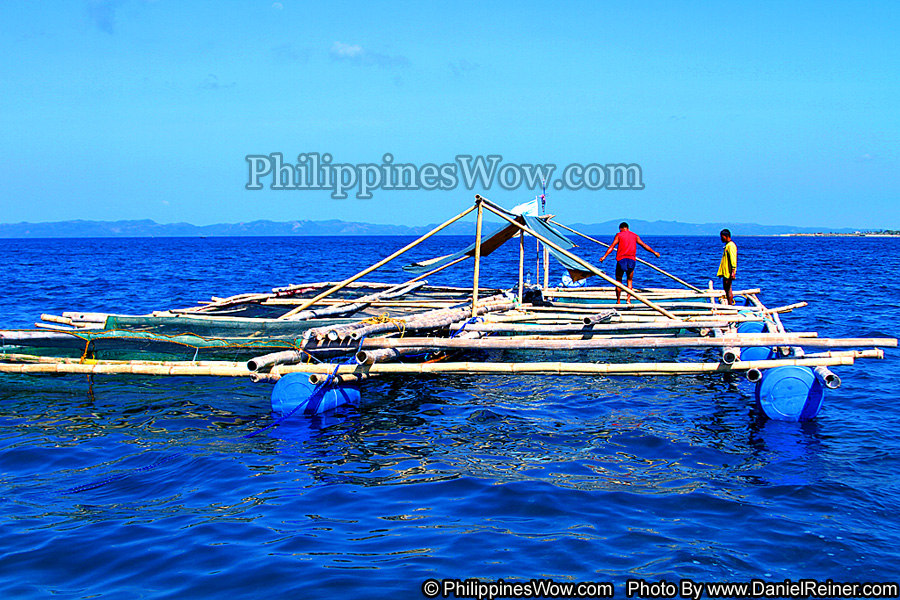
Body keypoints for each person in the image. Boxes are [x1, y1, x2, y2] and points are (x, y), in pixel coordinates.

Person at [600, 222, 660, 304]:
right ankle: (628, 300)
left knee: (618, 281)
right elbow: (644, 245)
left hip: (621, 260)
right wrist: (654, 252)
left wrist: (604, 256)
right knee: (629, 280)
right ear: (627, 228)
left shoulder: (619, 235)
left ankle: (618, 301)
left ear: (621, 228)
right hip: (631, 260)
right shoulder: (634, 235)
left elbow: (612, 246)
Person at [717, 228, 737, 305]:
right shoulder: (727, 245)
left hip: (728, 272)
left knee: (728, 288)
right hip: (725, 272)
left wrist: (733, 271)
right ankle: (729, 303)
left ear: (726, 236)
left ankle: (730, 304)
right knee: (726, 288)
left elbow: (733, 259)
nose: (721, 239)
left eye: (722, 237)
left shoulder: (731, 246)